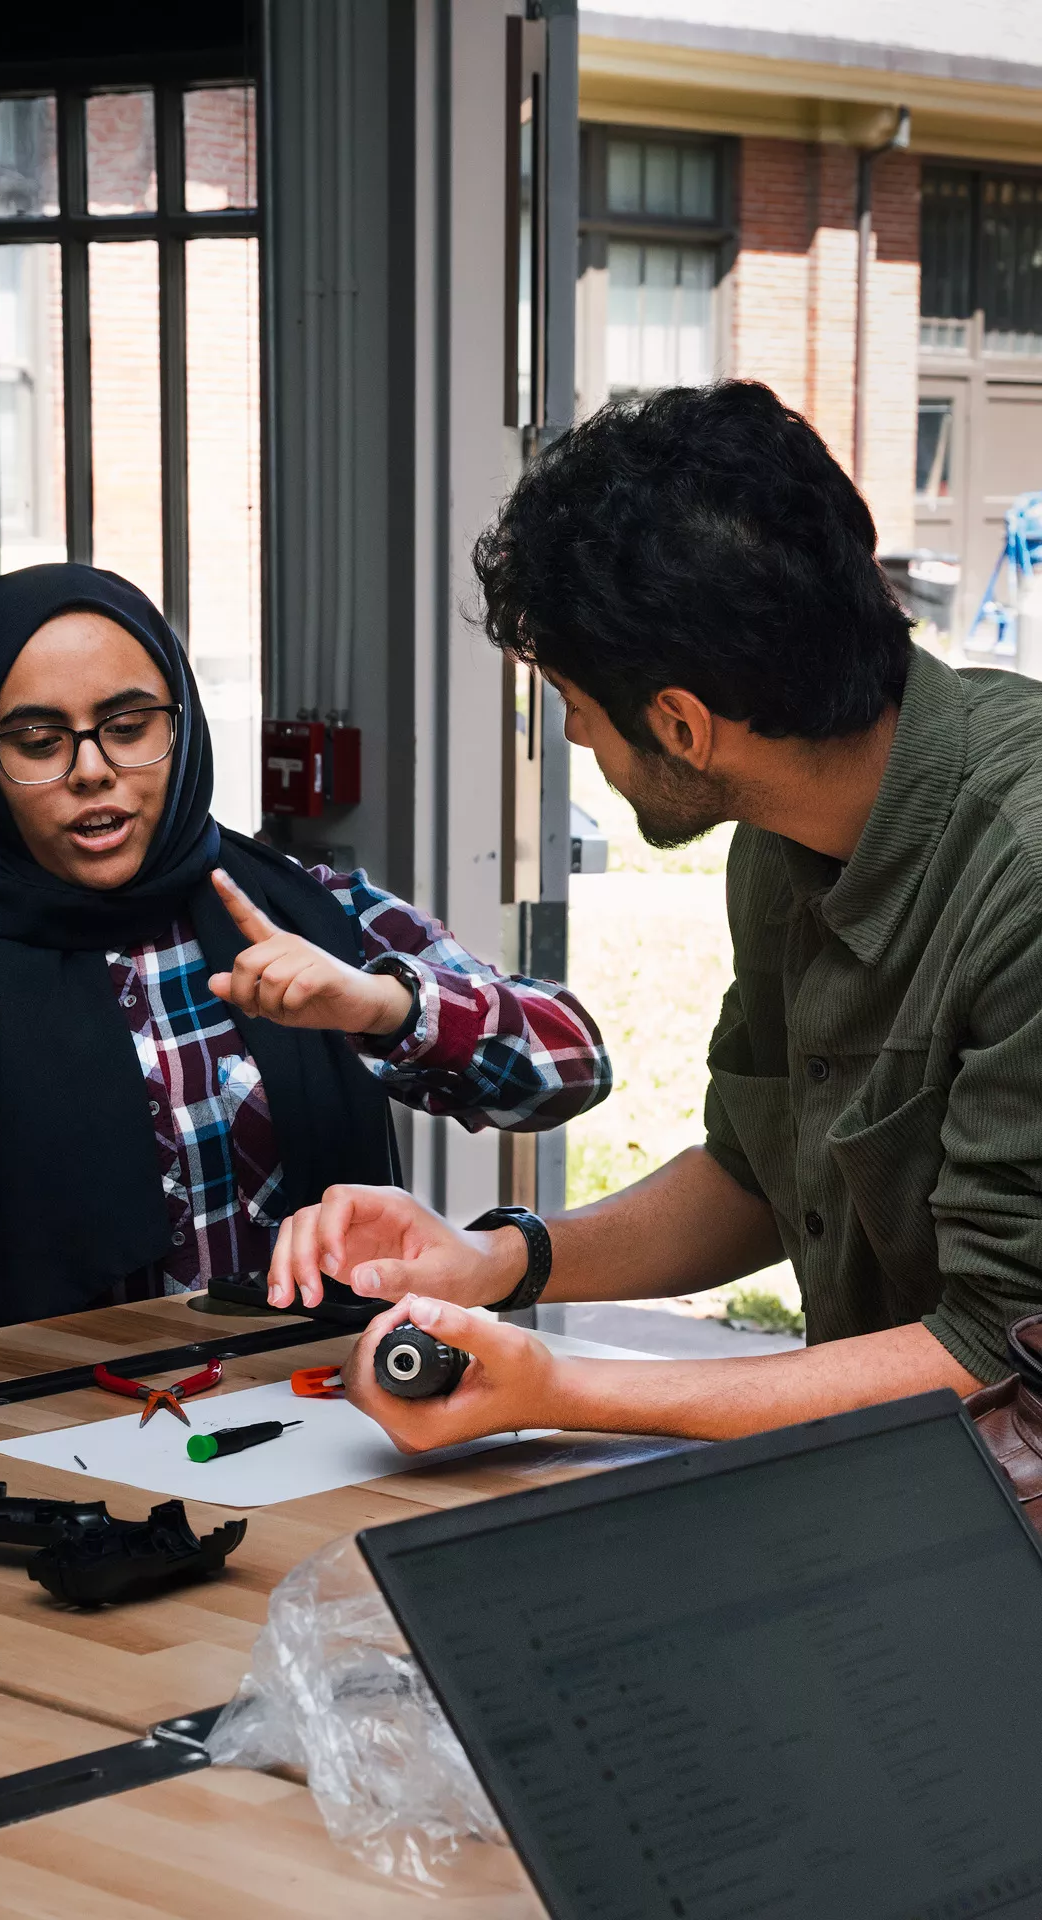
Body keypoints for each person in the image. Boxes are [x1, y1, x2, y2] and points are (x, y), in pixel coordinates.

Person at [273, 378, 1042, 1449]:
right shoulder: (788, 835)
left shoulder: (1024, 877)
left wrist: (561, 1395)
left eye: (578, 713)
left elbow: (999, 1356)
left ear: (681, 725)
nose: (579, 743)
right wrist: (497, 1260)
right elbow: (759, 1175)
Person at [0, 564, 609, 1333]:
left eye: (129, 726)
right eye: (37, 742)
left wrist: (379, 1004)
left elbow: (571, 1068)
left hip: (320, 1418)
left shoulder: (300, 916)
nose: (92, 770)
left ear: (181, 720)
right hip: (30, 1453)